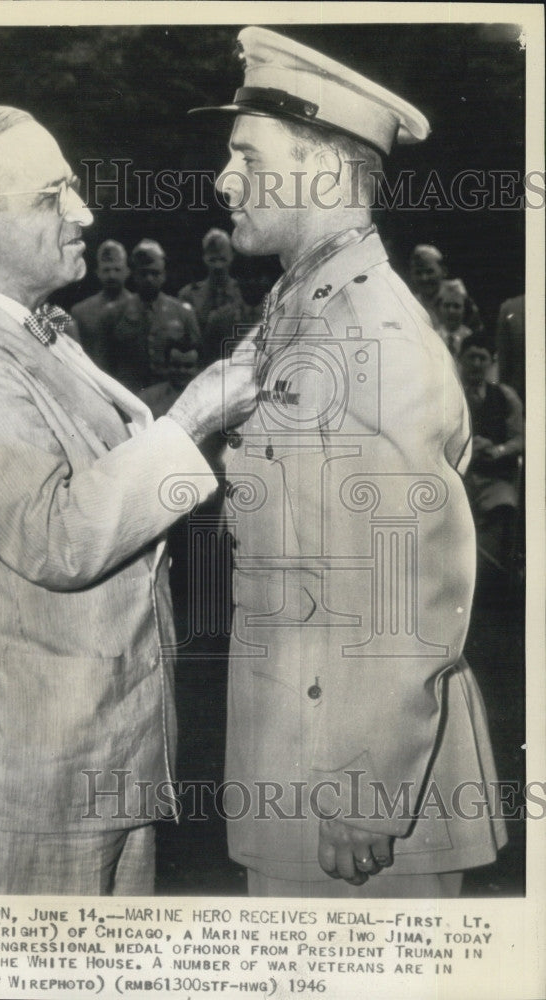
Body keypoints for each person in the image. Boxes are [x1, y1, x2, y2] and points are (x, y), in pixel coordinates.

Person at [0, 104, 257, 895]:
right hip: (22, 775)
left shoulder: (21, 333)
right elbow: (58, 538)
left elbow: (108, 472)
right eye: (51, 196)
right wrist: (194, 415)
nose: (83, 213)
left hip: (88, 753)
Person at [192, 26, 506, 897]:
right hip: (298, 755)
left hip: (359, 799)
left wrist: (364, 790)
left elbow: (407, 583)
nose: (223, 183)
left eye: (247, 159)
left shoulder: (371, 337)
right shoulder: (302, 312)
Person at [459, 332, 524, 578]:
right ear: (460, 359)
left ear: (491, 362)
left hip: (493, 479)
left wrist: (497, 450)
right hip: (460, 477)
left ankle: (490, 577)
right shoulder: (447, 393)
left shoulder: (505, 397)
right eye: (471, 357)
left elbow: (520, 439)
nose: (476, 364)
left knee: (503, 503)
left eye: (482, 358)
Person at [100, 239, 200, 391]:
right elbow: (105, 365)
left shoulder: (183, 313)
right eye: (143, 273)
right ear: (134, 275)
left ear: (164, 275)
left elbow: (196, 361)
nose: (149, 279)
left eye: (155, 273)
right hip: (129, 397)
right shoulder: (113, 314)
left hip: (169, 398)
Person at [70, 239, 132, 364]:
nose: (112, 276)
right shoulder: (81, 312)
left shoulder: (140, 307)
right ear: (98, 273)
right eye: (106, 270)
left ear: (127, 272)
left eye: (117, 269)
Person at [178, 228, 244, 333]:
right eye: (212, 260)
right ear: (204, 258)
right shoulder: (189, 296)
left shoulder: (243, 293)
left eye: (223, 259)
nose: (218, 266)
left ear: (232, 257)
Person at [435, 277, 473, 358]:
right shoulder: (433, 336)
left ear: (465, 310)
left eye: (456, 306)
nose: (451, 311)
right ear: (439, 309)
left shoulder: (471, 338)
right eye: (446, 306)